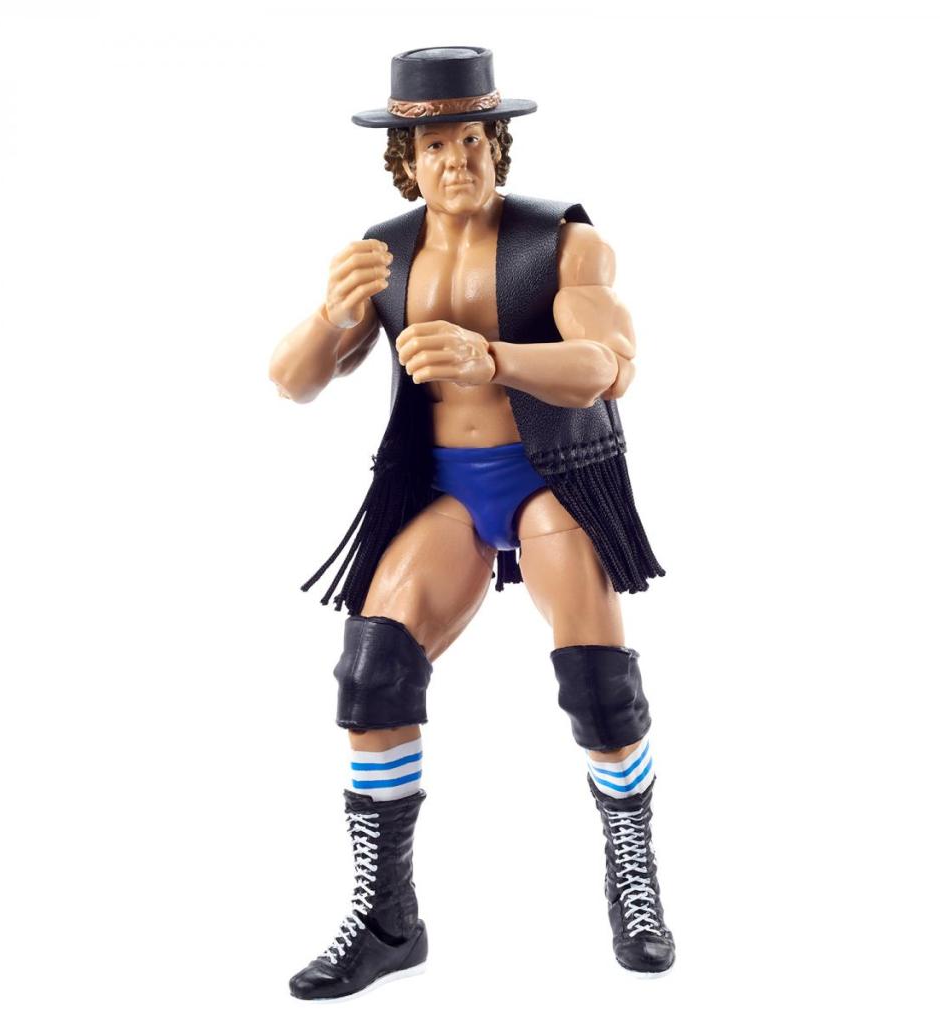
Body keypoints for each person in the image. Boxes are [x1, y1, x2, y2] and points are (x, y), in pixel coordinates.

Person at [269, 46, 676, 1000]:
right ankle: (388, 920)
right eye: (435, 145)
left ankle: (634, 879)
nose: (456, 160)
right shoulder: (384, 254)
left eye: (471, 141)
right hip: (442, 488)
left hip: (553, 475)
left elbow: (611, 368)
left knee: (599, 684)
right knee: (373, 672)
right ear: (406, 159)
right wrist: (329, 315)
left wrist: (493, 359)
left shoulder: (561, 244)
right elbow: (291, 382)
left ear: (498, 146)